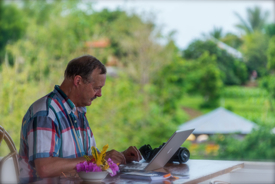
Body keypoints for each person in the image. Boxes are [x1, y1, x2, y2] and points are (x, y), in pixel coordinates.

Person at [18, 55, 142, 182]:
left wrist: (117, 157)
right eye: (96, 88)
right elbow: (45, 168)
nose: (99, 94)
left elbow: (87, 161)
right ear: (78, 81)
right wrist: (98, 158)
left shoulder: (79, 111)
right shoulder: (46, 113)